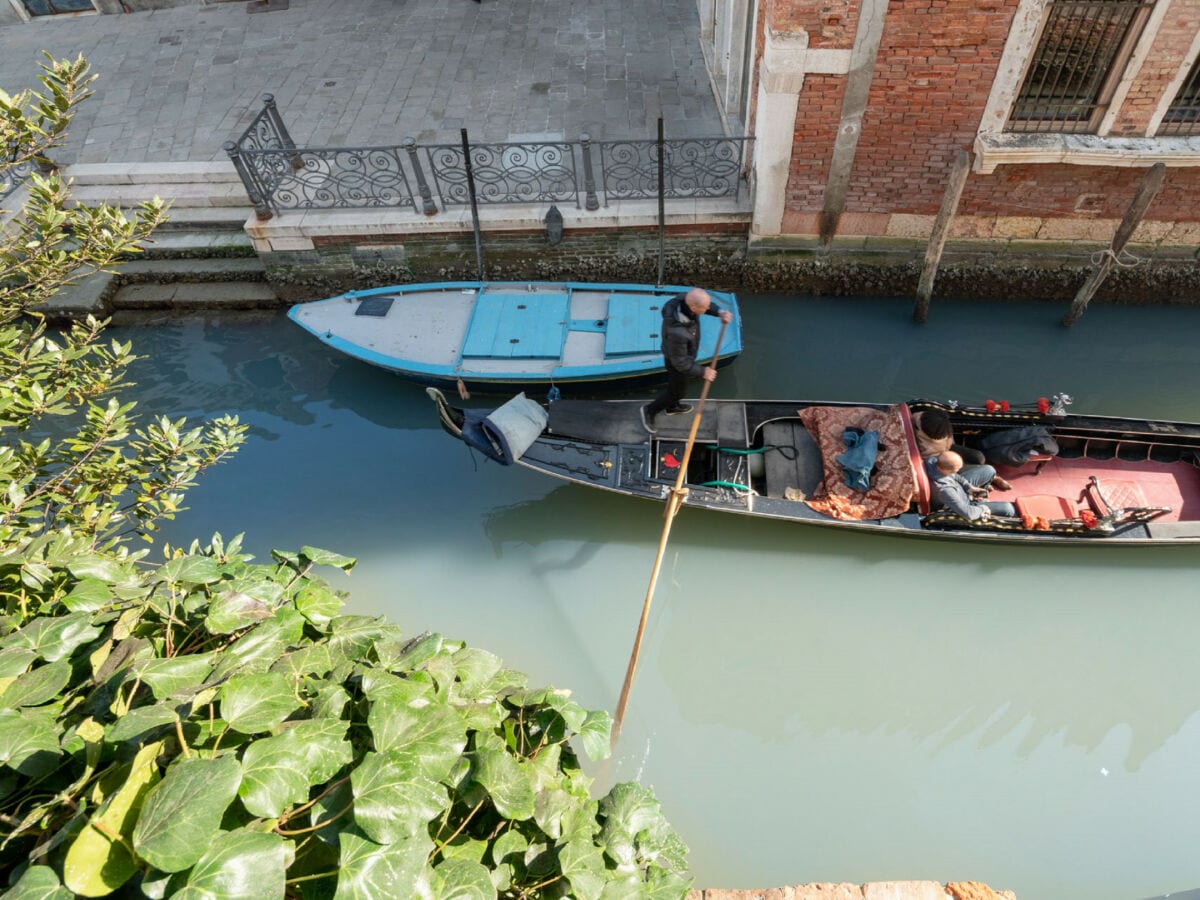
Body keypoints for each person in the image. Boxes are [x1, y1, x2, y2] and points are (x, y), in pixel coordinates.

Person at [639, 288, 733, 434]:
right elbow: (681, 363)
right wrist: (703, 371)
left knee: (675, 387)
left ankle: (672, 407)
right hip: (676, 361)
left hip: (680, 355)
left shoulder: (684, 301)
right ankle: (649, 411)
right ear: (693, 308)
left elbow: (705, 305)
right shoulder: (677, 333)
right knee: (677, 392)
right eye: (705, 307)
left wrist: (720, 312)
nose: (708, 308)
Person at [914, 408, 1011, 491]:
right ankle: (991, 478)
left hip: (946, 447)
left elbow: (948, 439)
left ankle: (985, 478)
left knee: (978, 457)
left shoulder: (923, 417)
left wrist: (949, 441)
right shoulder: (926, 447)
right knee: (957, 466)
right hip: (939, 457)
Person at [930, 451, 1016, 521]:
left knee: (989, 470)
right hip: (963, 503)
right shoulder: (945, 491)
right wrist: (983, 508)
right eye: (956, 469)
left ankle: (979, 497)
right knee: (1009, 509)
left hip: (959, 488)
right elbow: (968, 514)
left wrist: (968, 487)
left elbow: (955, 475)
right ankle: (978, 502)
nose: (958, 471)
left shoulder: (933, 461)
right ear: (947, 470)